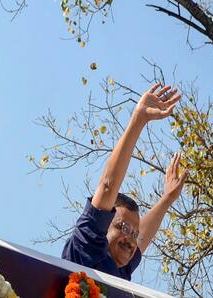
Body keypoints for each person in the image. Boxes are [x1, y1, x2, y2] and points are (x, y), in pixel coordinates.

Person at [62, 83, 187, 280]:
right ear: (103, 226)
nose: (130, 240)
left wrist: (168, 198)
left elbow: (142, 237)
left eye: (134, 234)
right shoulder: (86, 249)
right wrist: (139, 119)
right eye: (123, 227)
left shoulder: (121, 273)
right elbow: (107, 187)